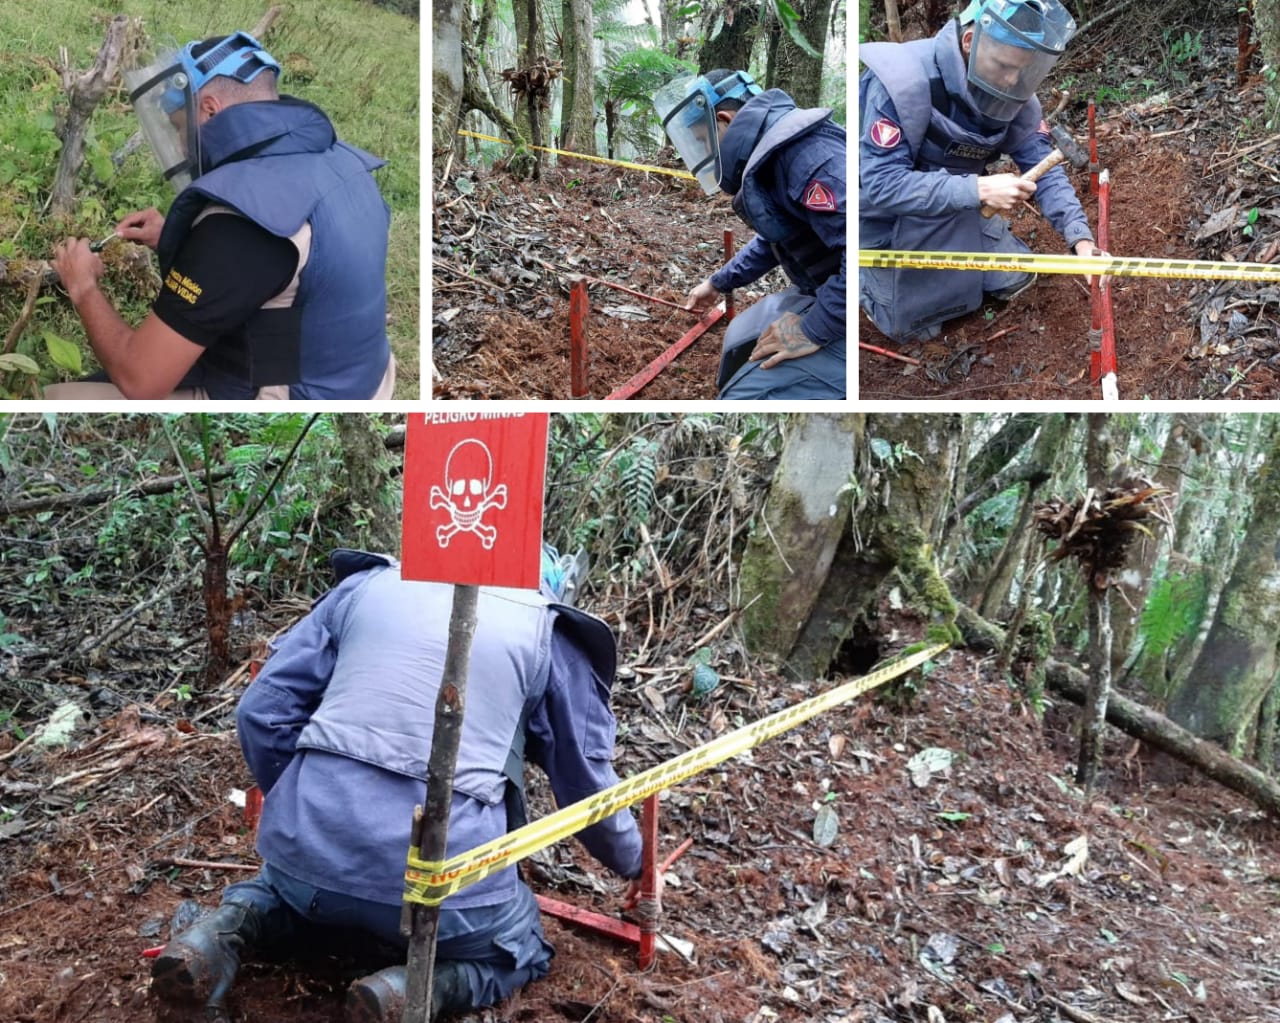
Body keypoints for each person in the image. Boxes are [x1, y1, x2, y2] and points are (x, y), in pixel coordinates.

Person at [148, 547, 644, 1022]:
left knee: (283, 894)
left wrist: (302, 805)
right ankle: (413, 990)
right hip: (443, 890)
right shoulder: (547, 629)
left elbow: (261, 712)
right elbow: (588, 788)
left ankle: (222, 931)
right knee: (519, 948)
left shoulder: (366, 588)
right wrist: (634, 862)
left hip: (306, 860)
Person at [47, 32, 394, 400]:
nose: (181, 143)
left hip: (292, 393)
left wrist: (82, 286)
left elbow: (140, 381)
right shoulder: (343, 162)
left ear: (209, 110)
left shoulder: (241, 224)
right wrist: (175, 236)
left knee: (61, 398)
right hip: (355, 372)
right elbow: (294, 268)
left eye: (180, 126)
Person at [859, 0, 1102, 343]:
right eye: (1004, 66)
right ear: (970, 42)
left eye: (1022, 70)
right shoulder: (902, 82)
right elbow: (881, 185)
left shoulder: (1013, 93)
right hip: (889, 219)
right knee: (916, 329)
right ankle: (862, 273)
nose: (1011, 80)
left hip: (959, 209)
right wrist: (980, 190)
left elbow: (1042, 167)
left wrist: (1080, 238)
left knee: (1017, 279)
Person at [654, 69, 846, 400]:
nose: (703, 151)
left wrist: (814, 330)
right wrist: (718, 283)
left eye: (703, 140)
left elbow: (867, 248)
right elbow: (779, 237)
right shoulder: (777, 155)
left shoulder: (807, 156)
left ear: (725, 119)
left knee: (743, 397)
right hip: (827, 289)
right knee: (739, 339)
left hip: (862, 308)